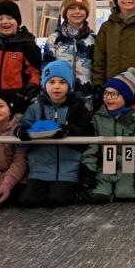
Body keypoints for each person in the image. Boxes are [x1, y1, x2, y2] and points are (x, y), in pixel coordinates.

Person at [15, 60, 95, 208]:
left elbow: (87, 131)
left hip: (67, 169)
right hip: (40, 168)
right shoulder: (35, 108)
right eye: (51, 82)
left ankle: (74, 192)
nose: (56, 86)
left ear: (69, 85)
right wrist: (21, 132)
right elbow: (23, 125)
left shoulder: (77, 108)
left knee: (58, 200)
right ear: (44, 85)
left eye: (62, 82)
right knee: (29, 201)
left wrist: (68, 130)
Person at [80, 68, 135, 203]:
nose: (108, 98)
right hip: (103, 167)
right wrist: (89, 168)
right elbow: (92, 147)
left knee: (126, 194)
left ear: (125, 97)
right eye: (106, 93)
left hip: (126, 168)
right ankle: (104, 187)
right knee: (99, 195)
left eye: (114, 94)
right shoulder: (97, 118)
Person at [43, 0, 97, 110]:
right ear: (65, 12)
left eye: (81, 8)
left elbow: (99, 69)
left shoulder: (94, 39)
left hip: (87, 102)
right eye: (72, 8)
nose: (77, 12)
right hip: (59, 102)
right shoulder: (54, 39)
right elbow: (45, 70)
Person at [0, 0, 42, 107]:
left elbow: (34, 72)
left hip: (17, 102)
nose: (5, 21)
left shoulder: (28, 46)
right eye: (0, 18)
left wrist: (31, 92)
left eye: (10, 18)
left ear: (17, 21)